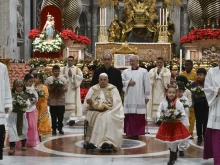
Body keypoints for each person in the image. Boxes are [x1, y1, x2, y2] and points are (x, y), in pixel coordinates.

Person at [84, 73, 124, 150]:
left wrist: (111, 109)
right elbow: (87, 102)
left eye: (104, 80)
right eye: (101, 80)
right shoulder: (93, 88)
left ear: (108, 80)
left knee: (107, 117)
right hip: (94, 110)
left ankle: (108, 142)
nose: (103, 81)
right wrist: (91, 104)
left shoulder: (113, 89)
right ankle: (94, 142)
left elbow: (118, 103)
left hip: (110, 110)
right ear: (98, 80)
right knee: (99, 116)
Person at [156, 83, 190, 165]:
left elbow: (182, 112)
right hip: (167, 125)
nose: (171, 94)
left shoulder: (178, 103)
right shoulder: (163, 103)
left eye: (173, 92)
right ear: (166, 93)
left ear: (176, 93)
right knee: (169, 141)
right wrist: (161, 116)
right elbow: (159, 111)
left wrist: (178, 116)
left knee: (174, 141)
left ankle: (172, 157)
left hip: (176, 125)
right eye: (170, 92)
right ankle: (173, 152)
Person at [122, 55, 151, 139]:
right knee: (130, 115)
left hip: (139, 96)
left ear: (137, 62)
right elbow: (122, 82)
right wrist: (128, 82)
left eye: (133, 61)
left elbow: (147, 84)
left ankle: (137, 133)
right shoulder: (125, 72)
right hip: (129, 96)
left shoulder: (144, 71)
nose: (131, 63)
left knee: (138, 115)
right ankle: (129, 131)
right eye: (130, 61)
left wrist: (147, 96)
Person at [203, 54, 220, 164]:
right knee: (216, 133)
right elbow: (206, 87)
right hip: (216, 104)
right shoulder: (212, 71)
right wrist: (216, 90)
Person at [7, 80, 31, 155]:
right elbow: (8, 104)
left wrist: (23, 106)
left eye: (21, 86)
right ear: (15, 87)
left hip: (22, 115)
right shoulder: (11, 95)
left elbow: (28, 105)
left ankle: (23, 143)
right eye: (17, 86)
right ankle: (12, 147)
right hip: (13, 116)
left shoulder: (26, 95)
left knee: (23, 129)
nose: (19, 88)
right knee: (11, 130)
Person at [45, 65, 68, 135]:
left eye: (58, 71)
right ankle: (54, 129)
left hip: (61, 101)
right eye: (55, 71)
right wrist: (53, 87)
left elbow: (66, 89)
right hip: (52, 101)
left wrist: (60, 88)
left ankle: (60, 128)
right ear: (52, 72)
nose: (56, 72)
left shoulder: (63, 79)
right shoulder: (49, 79)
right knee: (53, 116)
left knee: (61, 116)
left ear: (59, 72)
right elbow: (46, 89)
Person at [60, 56, 83, 125]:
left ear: (73, 61)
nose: (70, 62)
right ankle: (64, 118)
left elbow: (80, 78)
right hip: (65, 90)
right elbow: (60, 77)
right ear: (67, 61)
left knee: (73, 104)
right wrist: (66, 76)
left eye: (71, 60)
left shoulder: (77, 69)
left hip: (73, 90)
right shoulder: (63, 69)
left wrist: (72, 76)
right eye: (68, 60)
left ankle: (72, 119)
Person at [191, 68, 208, 146]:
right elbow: (192, 94)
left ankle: (205, 136)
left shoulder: (208, 84)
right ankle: (199, 138)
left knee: (205, 121)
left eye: (200, 75)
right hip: (197, 105)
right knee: (198, 121)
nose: (199, 76)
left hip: (206, 105)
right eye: (198, 74)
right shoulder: (194, 84)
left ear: (205, 75)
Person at [180, 60, 197, 139]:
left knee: (191, 115)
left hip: (192, 96)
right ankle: (182, 131)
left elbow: (197, 85)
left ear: (192, 66)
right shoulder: (182, 74)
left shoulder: (195, 75)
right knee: (182, 114)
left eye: (188, 65)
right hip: (183, 95)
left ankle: (190, 132)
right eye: (186, 65)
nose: (187, 67)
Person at [0, 62, 12, 159]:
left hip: (0, 103)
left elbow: (6, 85)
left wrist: (7, 103)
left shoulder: (2, 67)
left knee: (0, 130)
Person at [24, 74, 39, 147]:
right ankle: (23, 142)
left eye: (32, 82)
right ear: (25, 81)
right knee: (24, 126)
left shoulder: (34, 89)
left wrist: (33, 100)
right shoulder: (22, 89)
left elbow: (36, 97)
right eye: (29, 81)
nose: (31, 83)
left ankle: (31, 141)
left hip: (32, 109)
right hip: (24, 110)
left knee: (32, 126)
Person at [34, 73, 51, 140]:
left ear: (40, 79)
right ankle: (35, 133)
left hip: (42, 106)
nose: (34, 79)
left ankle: (40, 134)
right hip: (35, 105)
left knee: (42, 119)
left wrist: (40, 97)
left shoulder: (44, 87)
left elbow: (46, 96)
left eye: (36, 78)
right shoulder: (33, 87)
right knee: (35, 119)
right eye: (34, 78)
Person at [177, 82, 190, 157]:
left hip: (183, 119)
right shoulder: (172, 98)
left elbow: (186, 110)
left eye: (180, 91)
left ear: (183, 91)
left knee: (184, 135)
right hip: (175, 119)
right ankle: (174, 148)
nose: (178, 93)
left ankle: (181, 149)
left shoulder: (185, 99)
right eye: (177, 91)